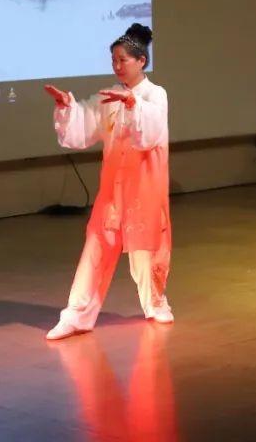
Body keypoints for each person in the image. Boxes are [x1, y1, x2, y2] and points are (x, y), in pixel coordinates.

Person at [43, 24, 172, 340]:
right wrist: (67, 107)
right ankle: (77, 314)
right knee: (98, 244)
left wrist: (133, 104)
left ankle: (156, 302)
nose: (117, 66)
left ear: (141, 61)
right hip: (114, 188)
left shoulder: (155, 95)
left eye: (123, 59)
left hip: (145, 185)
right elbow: (84, 124)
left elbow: (151, 133)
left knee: (147, 250)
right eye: (113, 60)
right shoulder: (108, 97)